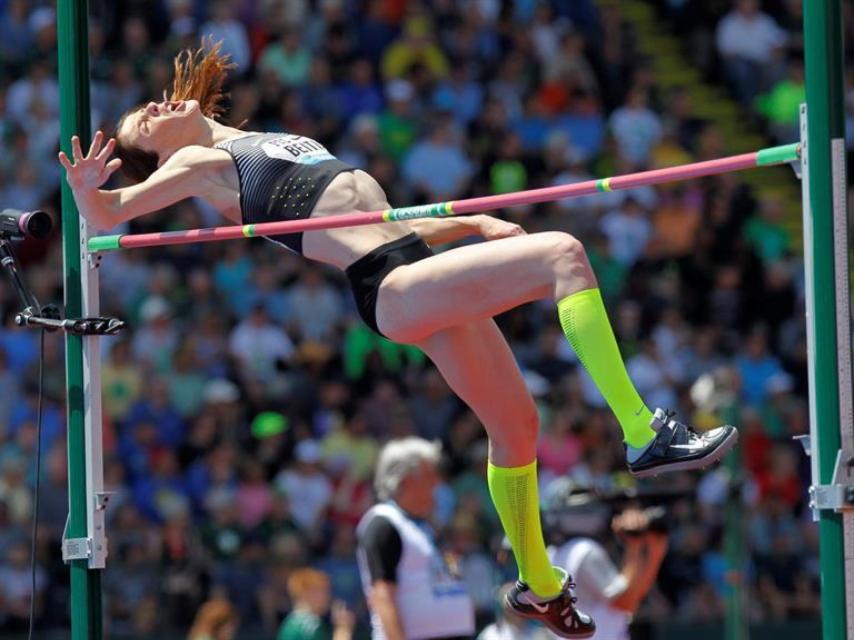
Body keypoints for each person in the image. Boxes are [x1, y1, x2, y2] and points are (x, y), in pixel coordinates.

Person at [59, 43, 737, 638]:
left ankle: (538, 583)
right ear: (160, 153)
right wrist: (90, 192)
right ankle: (643, 432)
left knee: (516, 426)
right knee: (564, 254)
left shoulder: (262, 140)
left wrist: (473, 225)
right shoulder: (197, 161)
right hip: (392, 285)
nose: (152, 109)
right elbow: (113, 211)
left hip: (411, 263)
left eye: (147, 107)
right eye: (143, 124)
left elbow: (385, 221)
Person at [355, 438, 475, 639]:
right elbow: (382, 596)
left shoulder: (424, 526)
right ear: (405, 480)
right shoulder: (383, 523)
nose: (438, 482)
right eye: (430, 475)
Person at [277, 568, 355, 640]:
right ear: (305, 593)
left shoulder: (289, 623)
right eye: (323, 591)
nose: (328, 596)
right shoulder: (311, 625)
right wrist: (343, 629)